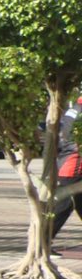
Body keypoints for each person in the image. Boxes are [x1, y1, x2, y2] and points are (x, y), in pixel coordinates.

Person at [51, 94, 81, 242]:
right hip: (74, 166)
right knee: (64, 206)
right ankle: (43, 240)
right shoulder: (79, 114)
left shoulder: (75, 109)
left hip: (68, 161)